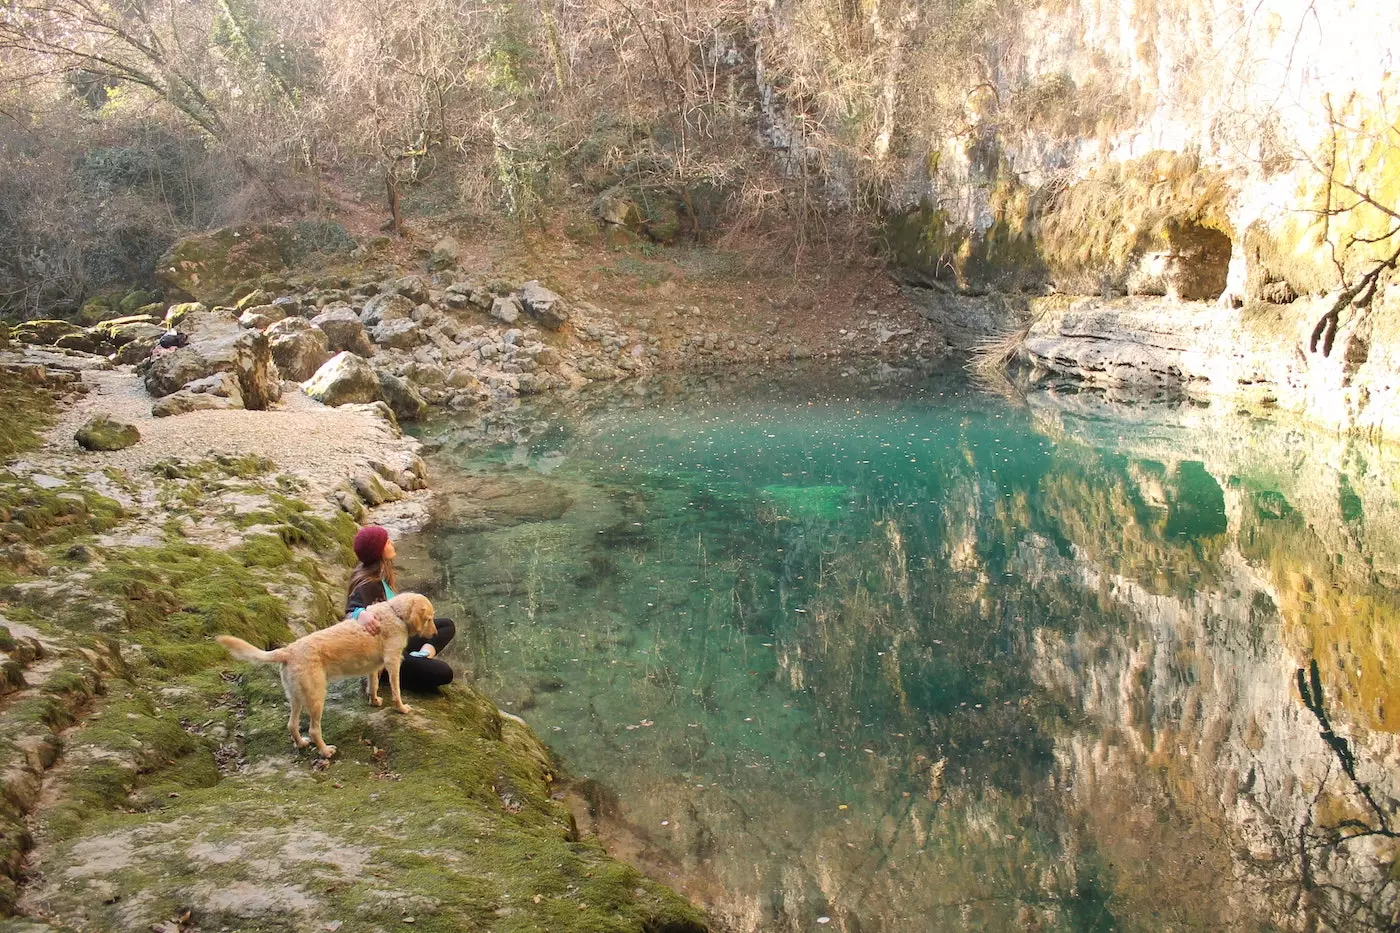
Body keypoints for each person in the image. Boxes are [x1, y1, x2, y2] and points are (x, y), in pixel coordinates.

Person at [347, 525, 455, 690]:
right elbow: (351, 612)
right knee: (444, 673)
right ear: (377, 552)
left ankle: (423, 656)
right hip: (385, 654)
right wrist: (360, 614)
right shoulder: (367, 584)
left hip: (399, 638)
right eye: (386, 542)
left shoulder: (382, 575)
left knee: (446, 625)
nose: (391, 543)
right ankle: (392, 673)